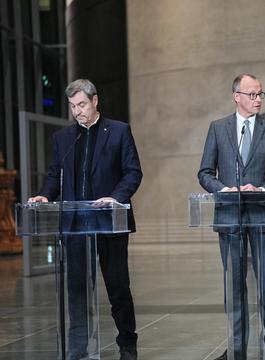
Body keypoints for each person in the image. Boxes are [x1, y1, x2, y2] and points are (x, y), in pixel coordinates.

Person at [28, 79, 142, 360]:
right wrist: (44, 195)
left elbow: (132, 172)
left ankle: (127, 344)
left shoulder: (118, 132)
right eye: (72, 106)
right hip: (75, 226)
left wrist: (116, 196)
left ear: (95, 101)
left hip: (109, 222)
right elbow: (55, 174)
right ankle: (78, 346)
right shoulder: (64, 139)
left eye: (81, 104)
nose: (77, 111)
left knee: (118, 287)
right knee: (77, 290)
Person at [198, 74, 265, 360]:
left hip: (264, 217)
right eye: (252, 95)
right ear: (236, 96)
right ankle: (236, 347)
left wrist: (262, 188)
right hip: (230, 219)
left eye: (260, 95)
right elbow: (205, 173)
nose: (257, 100)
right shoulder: (218, 129)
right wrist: (224, 188)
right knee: (234, 289)